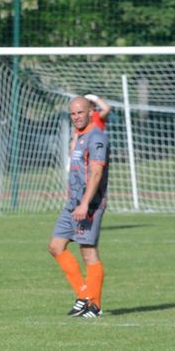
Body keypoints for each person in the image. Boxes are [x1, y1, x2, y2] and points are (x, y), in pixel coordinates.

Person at [48, 96, 110, 318]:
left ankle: (95, 305)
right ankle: (85, 295)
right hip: (73, 204)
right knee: (56, 246)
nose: (75, 117)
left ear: (90, 112)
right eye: (72, 113)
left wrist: (85, 203)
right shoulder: (79, 136)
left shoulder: (96, 138)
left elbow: (96, 172)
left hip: (89, 205)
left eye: (80, 113)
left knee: (88, 252)